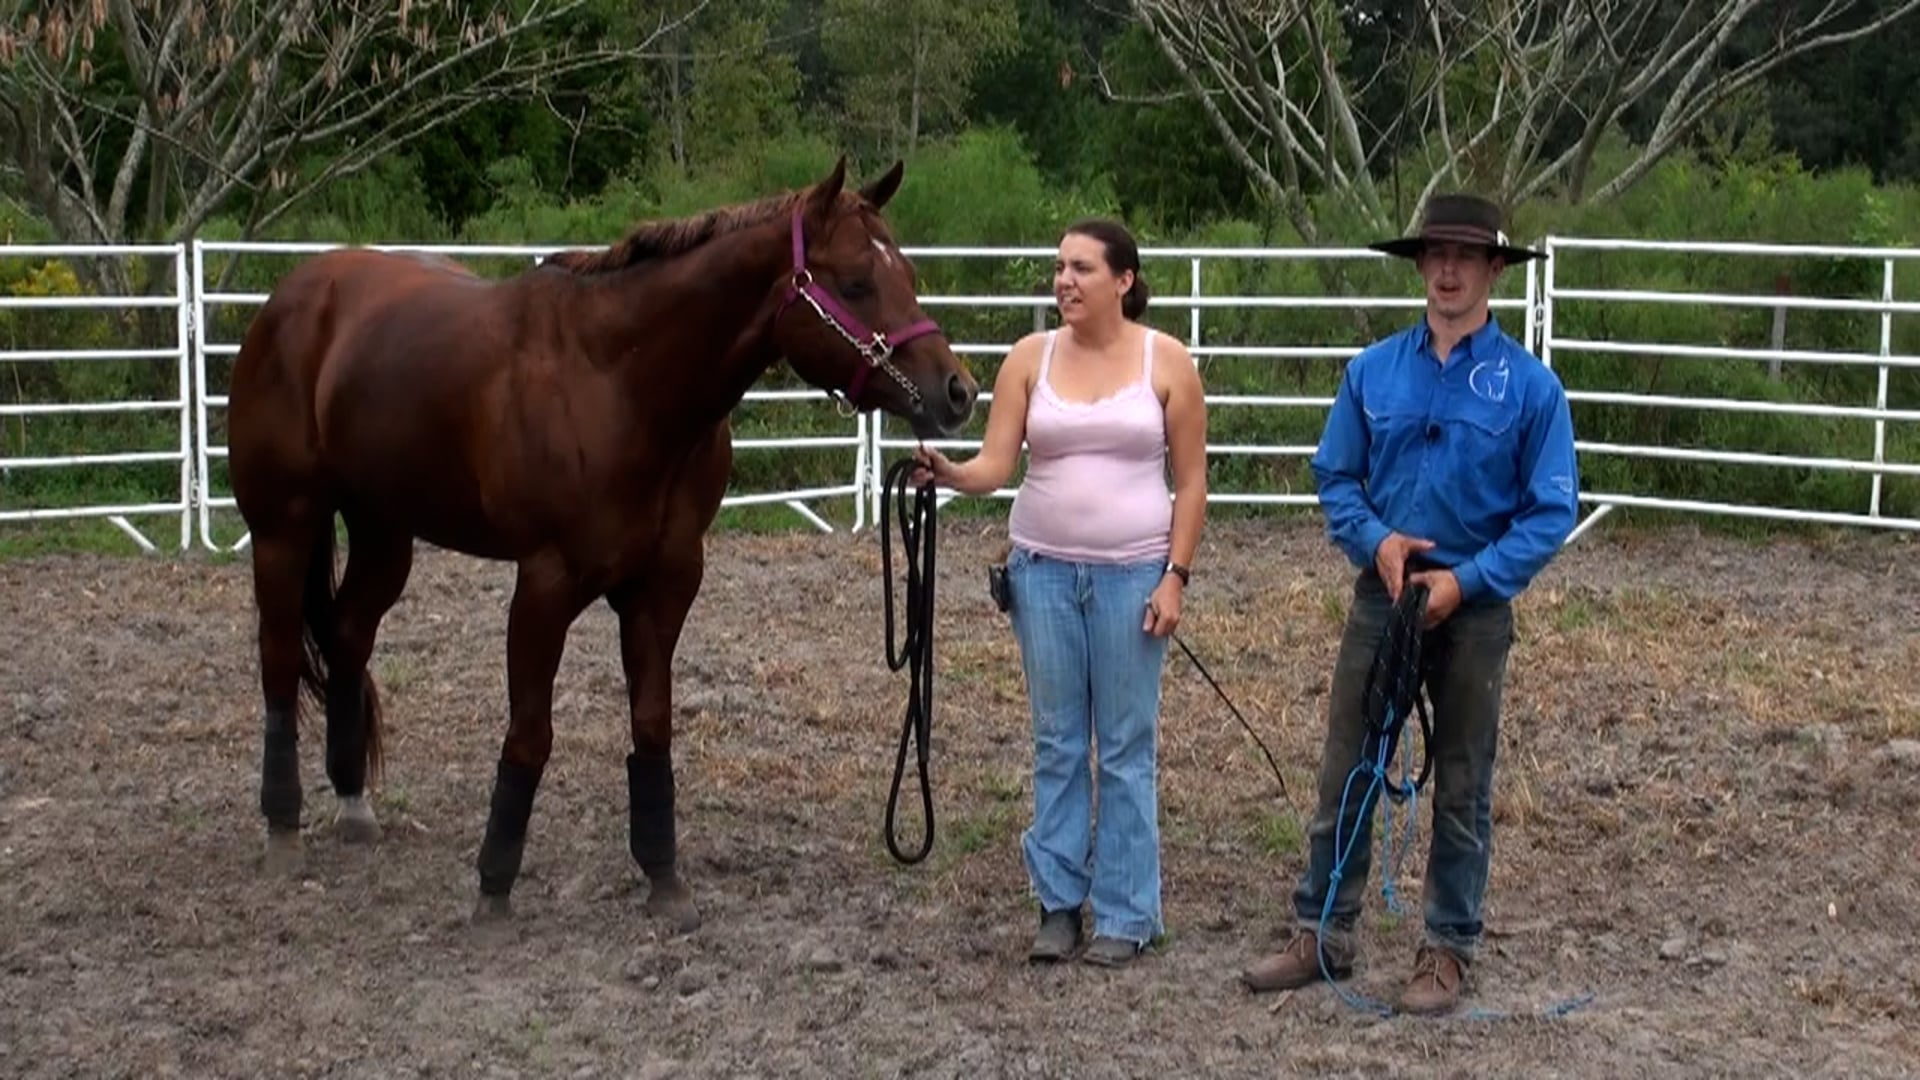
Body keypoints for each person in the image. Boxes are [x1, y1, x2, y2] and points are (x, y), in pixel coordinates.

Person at [1239, 194, 1579, 1014]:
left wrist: (1468, 581)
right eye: (1438, 254)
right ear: (1422, 265)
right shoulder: (1372, 372)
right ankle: (1322, 928)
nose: (1450, 269)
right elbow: (1336, 475)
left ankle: (1449, 945)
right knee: (1347, 765)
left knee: (1463, 779)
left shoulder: (1532, 390)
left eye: (1467, 255)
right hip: (1383, 597)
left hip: (1474, 605)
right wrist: (1378, 543)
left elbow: (1549, 511)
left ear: (1495, 269)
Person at [913, 218, 1207, 968]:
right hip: (1042, 570)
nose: (1064, 281)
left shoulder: (1166, 362)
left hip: (1134, 574)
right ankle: (1057, 905)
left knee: (1127, 745)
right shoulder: (1029, 358)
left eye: (1081, 268)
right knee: (1058, 741)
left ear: (1124, 280)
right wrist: (951, 474)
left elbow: (1192, 480)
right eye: (1059, 268)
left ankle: (1127, 911)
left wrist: (1175, 575)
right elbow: (997, 464)